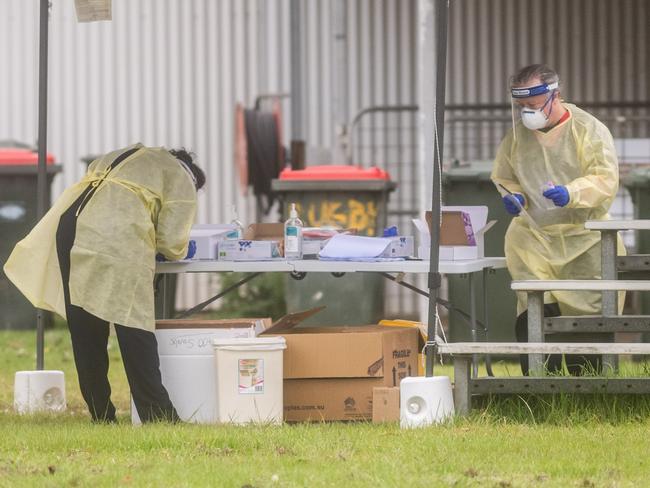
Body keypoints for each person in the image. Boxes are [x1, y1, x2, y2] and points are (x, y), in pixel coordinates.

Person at [4, 143, 205, 422]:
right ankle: (157, 415)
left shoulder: (130, 155)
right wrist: (181, 249)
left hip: (71, 228)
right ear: (194, 176)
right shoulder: (181, 176)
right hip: (115, 234)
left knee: (85, 326)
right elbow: (172, 242)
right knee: (134, 323)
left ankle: (101, 414)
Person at [491, 64, 625, 375]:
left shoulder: (588, 129)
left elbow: (605, 179)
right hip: (534, 237)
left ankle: (590, 388)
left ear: (556, 95)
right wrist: (515, 197)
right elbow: (505, 175)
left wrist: (573, 192)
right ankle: (539, 386)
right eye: (522, 107)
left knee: (589, 314)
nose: (527, 114)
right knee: (534, 307)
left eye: (534, 106)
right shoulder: (517, 136)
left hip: (585, 237)